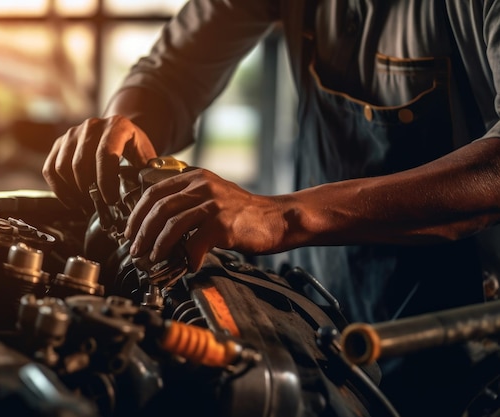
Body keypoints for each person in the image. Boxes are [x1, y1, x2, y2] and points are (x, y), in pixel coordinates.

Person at [43, 1, 500, 415]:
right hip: (323, 307)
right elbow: (172, 72)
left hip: (467, 345)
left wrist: (283, 216)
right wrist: (125, 132)